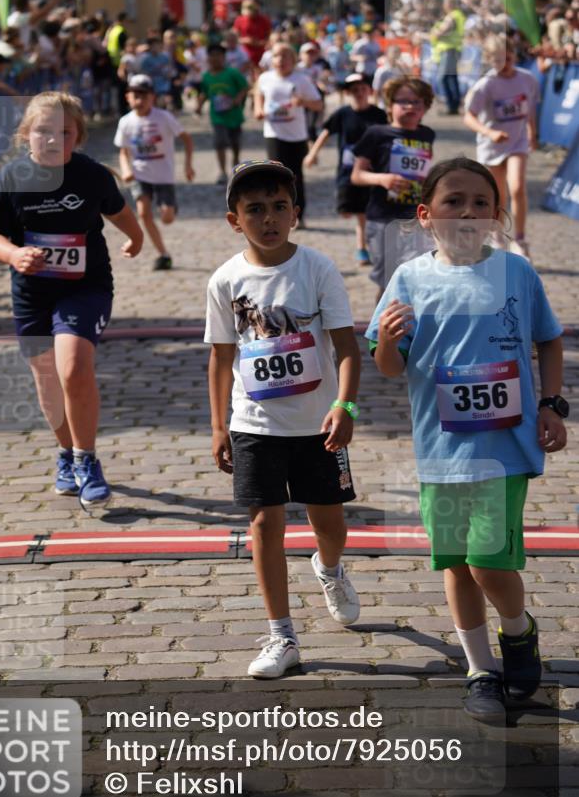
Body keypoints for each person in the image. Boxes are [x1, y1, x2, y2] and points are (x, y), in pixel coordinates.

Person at [366, 156, 567, 723]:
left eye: (482, 202)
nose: (469, 211)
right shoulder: (408, 279)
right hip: (439, 450)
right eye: (454, 201)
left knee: (486, 560)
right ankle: (481, 670)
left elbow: (549, 340)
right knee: (456, 564)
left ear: (497, 215)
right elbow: (388, 366)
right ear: (426, 215)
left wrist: (551, 404)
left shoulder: (516, 273)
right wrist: (386, 338)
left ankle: (518, 631)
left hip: (505, 448)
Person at [206, 160, 362, 679]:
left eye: (278, 207)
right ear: (235, 220)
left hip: (317, 425)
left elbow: (345, 346)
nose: (268, 218)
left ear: (295, 213)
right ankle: (281, 634)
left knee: (329, 525)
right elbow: (221, 357)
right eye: (255, 210)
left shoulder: (317, 268)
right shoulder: (225, 280)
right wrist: (218, 424)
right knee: (263, 524)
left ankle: (330, 568)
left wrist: (345, 405)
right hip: (255, 424)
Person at [0, 92, 144, 511]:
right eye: (43, 132)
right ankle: (66, 454)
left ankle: (87, 461)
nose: (53, 140)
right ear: (25, 135)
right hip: (32, 293)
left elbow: (118, 210)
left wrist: (137, 237)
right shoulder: (10, 179)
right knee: (47, 380)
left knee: (73, 366)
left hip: (84, 287)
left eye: (64, 133)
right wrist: (14, 254)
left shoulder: (91, 176)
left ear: (79, 137)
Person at [350, 76, 435, 299]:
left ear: (425, 106)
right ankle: (380, 330)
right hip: (383, 218)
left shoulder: (427, 135)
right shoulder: (377, 134)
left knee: (417, 277)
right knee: (389, 281)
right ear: (389, 105)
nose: (410, 107)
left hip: (416, 217)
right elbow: (357, 175)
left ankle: (412, 328)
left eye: (417, 102)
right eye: (403, 101)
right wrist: (382, 179)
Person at [464, 36, 539, 261]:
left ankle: (521, 239)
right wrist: (490, 133)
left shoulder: (527, 79)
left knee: (517, 188)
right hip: (491, 147)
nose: (505, 63)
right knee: (498, 196)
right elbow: (469, 117)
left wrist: (532, 132)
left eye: (508, 57)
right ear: (489, 60)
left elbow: (530, 108)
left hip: (517, 142)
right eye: (498, 60)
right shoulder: (485, 84)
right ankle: (497, 237)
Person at [305, 72, 387, 265]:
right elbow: (326, 133)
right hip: (347, 171)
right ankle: (365, 245)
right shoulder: (342, 114)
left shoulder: (379, 115)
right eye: (354, 90)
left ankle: (362, 248)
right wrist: (312, 153)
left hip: (372, 172)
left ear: (369, 91)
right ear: (348, 93)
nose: (359, 93)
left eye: (362, 89)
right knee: (347, 210)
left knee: (364, 213)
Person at [114, 73, 194, 271]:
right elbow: (123, 151)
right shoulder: (125, 122)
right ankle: (162, 253)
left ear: (153, 97)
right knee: (143, 213)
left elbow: (186, 139)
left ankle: (170, 207)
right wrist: (126, 169)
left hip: (163, 175)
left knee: (167, 217)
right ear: (128, 97)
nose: (139, 100)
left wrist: (188, 165)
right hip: (140, 174)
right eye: (135, 95)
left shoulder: (164, 117)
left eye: (144, 95)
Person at [254, 42, 322, 227]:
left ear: (293, 60)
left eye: (285, 56)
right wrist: (258, 108)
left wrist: (303, 101)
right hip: (274, 133)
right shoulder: (265, 78)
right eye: (276, 56)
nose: (280, 60)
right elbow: (258, 93)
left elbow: (318, 104)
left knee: (294, 177)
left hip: (297, 135)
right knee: (277, 175)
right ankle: (279, 214)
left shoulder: (301, 80)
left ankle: (299, 214)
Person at [197, 43, 249, 186]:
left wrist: (238, 98)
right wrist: (199, 106)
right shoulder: (206, 76)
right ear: (208, 58)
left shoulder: (232, 73)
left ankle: (236, 169)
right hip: (217, 117)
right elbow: (204, 93)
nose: (215, 58)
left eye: (219, 55)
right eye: (212, 55)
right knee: (219, 143)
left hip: (234, 116)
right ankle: (222, 172)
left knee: (235, 145)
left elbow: (244, 87)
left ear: (224, 57)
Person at [429, 0, 465, 115]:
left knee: (443, 78)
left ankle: (452, 106)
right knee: (451, 78)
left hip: (450, 50)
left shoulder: (453, 16)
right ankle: (453, 106)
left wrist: (435, 33)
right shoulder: (458, 15)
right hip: (453, 49)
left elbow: (442, 32)